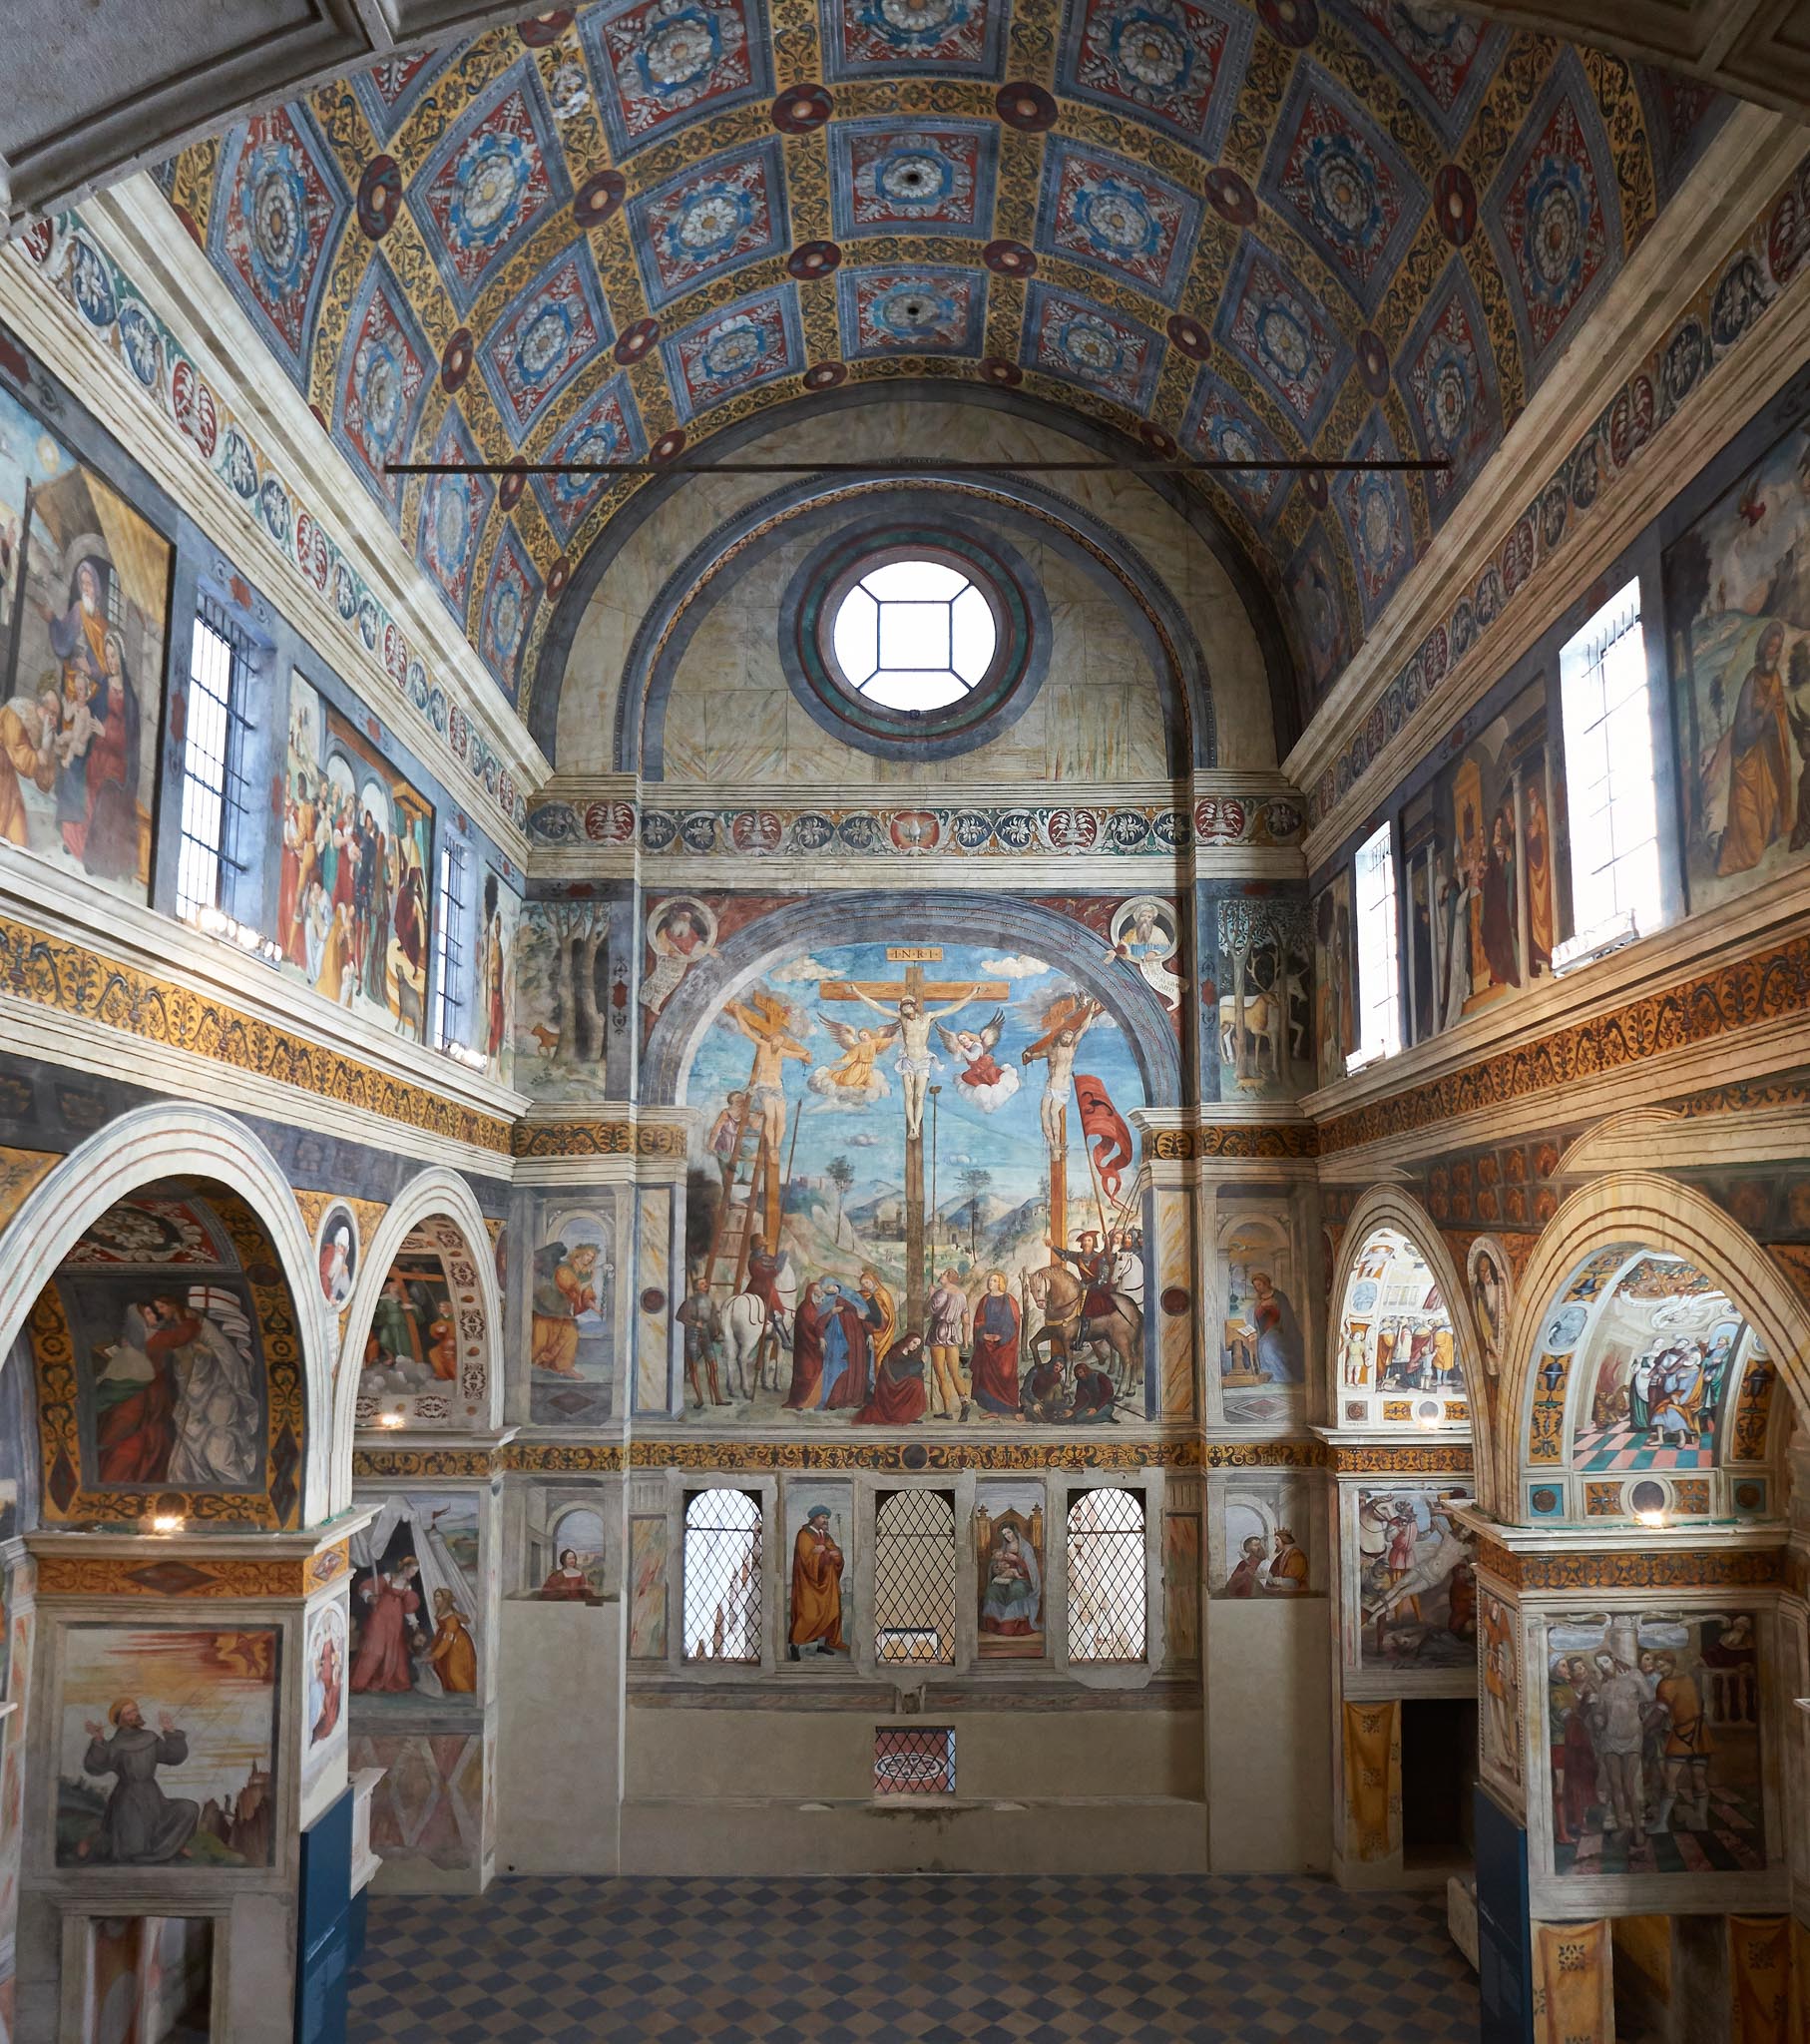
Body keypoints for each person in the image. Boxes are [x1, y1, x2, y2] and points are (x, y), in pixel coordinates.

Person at [150, 1293, 260, 1488]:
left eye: (162, 1307)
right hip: (192, 1398)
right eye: (158, 1309)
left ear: (173, 1304)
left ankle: (238, 1497)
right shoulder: (177, 1330)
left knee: (219, 1456)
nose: (161, 1312)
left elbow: (227, 1356)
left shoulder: (201, 1325)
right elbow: (182, 1367)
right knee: (182, 1460)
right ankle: (187, 1498)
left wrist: (204, 1352)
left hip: (218, 1396)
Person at [81, 1697, 200, 1864]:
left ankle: (170, 1847)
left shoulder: (150, 1738)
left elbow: (173, 1757)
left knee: (189, 1809)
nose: (135, 1714)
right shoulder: (116, 1744)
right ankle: (95, 1840)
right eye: (129, 1712)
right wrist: (99, 1741)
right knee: (132, 1852)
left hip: (153, 1797)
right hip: (127, 1802)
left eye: (135, 1710)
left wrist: (171, 1732)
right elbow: (96, 1767)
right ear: (120, 1719)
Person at [1717, 620, 1793, 876]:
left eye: (1778, 647)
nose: (1774, 651)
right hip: (1746, 761)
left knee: (1771, 802)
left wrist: (1774, 712)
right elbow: (1742, 732)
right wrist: (1764, 713)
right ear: (1763, 648)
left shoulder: (1776, 680)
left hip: (1766, 758)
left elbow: (1779, 716)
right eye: (1770, 646)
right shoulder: (1751, 680)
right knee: (1750, 847)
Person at [1651, 1649, 1713, 1832]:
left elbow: (1660, 1711)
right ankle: (1700, 1820)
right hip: (1698, 1732)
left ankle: (1664, 1824)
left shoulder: (1665, 1685)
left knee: (1673, 1778)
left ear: (1671, 1663)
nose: (1659, 1670)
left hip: (1683, 1734)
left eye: (1661, 1666)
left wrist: (1646, 1727)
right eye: (1657, 1667)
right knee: (1697, 1777)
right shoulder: (1688, 1679)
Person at [350, 1557, 423, 1694]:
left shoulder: (407, 1587)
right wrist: (370, 1597)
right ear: (405, 1568)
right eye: (412, 1570)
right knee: (374, 1648)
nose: (413, 1574)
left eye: (415, 1572)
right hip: (380, 1617)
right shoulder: (387, 1577)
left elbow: (408, 1609)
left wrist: (415, 1625)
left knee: (394, 1649)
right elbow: (366, 1586)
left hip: (395, 1621)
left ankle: (391, 1681)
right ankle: (358, 1683)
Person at [530, 1241, 601, 1375]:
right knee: (540, 1339)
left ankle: (564, 1367)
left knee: (571, 1334)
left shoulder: (583, 1273)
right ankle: (534, 1363)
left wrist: (595, 1308)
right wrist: (592, 1278)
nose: (588, 1259)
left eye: (591, 1258)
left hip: (562, 1309)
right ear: (579, 1254)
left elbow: (585, 1295)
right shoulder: (564, 1269)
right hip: (547, 1305)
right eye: (587, 1255)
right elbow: (574, 1288)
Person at [787, 1504, 845, 1656]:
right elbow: (805, 1557)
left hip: (827, 1583)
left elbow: (834, 1552)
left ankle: (821, 1644)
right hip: (808, 1583)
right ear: (815, 1518)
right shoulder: (804, 1535)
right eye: (823, 1517)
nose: (826, 1520)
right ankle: (795, 1646)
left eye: (827, 1518)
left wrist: (836, 1554)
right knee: (807, 1614)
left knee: (829, 1610)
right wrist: (818, 1553)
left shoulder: (826, 1536)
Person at [969, 1272, 1021, 1418]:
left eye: (994, 1280)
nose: (990, 1283)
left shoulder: (1009, 1300)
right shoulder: (985, 1300)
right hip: (987, 1345)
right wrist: (983, 1335)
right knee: (987, 1376)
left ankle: (1009, 1408)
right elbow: (979, 1321)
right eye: (990, 1280)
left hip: (1004, 1347)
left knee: (1004, 1374)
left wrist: (1001, 1337)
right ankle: (992, 1409)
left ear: (1000, 1283)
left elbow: (1014, 1323)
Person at [980, 1522, 1041, 1638]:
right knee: (992, 1590)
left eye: (1009, 1532)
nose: (1007, 1536)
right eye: (1005, 1534)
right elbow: (995, 1562)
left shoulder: (1025, 1547)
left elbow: (1031, 1568)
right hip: (1006, 1578)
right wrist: (996, 1568)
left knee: (1016, 1589)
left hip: (1022, 1579)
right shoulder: (1004, 1547)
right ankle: (994, 1625)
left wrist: (1016, 1559)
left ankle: (1010, 1626)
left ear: (1015, 1531)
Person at [854, 1330, 928, 1423]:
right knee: (916, 1384)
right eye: (914, 1343)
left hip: (897, 1383)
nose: (915, 1346)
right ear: (908, 1340)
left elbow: (907, 1370)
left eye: (917, 1345)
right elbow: (902, 1371)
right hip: (889, 1388)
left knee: (917, 1383)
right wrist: (921, 1363)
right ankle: (903, 1415)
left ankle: (909, 1415)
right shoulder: (895, 1352)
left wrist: (919, 1371)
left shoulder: (908, 1353)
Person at [925, 1268, 969, 1420]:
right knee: (955, 1373)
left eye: (943, 1274)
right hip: (952, 1334)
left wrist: (930, 1295)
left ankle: (948, 1411)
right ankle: (965, 1403)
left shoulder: (940, 1293)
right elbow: (966, 1322)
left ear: (949, 1278)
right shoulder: (962, 1295)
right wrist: (965, 1342)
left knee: (941, 1375)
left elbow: (928, 1311)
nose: (940, 1276)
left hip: (938, 1332)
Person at [678, 1275, 725, 1408]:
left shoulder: (710, 1301)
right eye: (702, 1283)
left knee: (713, 1366)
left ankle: (718, 1398)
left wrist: (717, 1330)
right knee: (693, 1368)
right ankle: (699, 1399)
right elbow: (680, 1316)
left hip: (706, 1334)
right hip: (692, 1334)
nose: (705, 1284)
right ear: (696, 1287)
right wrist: (694, 1323)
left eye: (705, 1282)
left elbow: (713, 1318)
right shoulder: (690, 1302)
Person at [1248, 1271, 1302, 1383]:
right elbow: (1256, 1316)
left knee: (1266, 1346)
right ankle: (1270, 1376)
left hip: (1279, 1329)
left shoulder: (1279, 1296)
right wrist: (1261, 1307)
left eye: (1259, 1285)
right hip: (1265, 1332)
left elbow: (1286, 1314)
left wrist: (1273, 1307)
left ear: (1266, 1283)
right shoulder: (1259, 1300)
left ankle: (1280, 1376)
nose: (1258, 1288)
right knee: (1262, 1345)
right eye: (1255, 1286)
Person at [423, 1587, 477, 1695]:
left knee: (454, 1672)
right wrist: (432, 1648)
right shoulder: (443, 1612)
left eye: (438, 1596)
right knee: (444, 1668)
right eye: (435, 1596)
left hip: (458, 1645)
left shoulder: (451, 1618)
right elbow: (441, 1634)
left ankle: (465, 1694)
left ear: (445, 1599)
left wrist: (435, 1656)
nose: (435, 1599)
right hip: (449, 1642)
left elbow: (447, 1639)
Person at [784, 1279, 827, 1410]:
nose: (820, 1293)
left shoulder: (815, 1306)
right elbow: (811, 1325)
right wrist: (820, 1337)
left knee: (816, 1372)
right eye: (817, 1291)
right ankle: (801, 1401)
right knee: (806, 1373)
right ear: (810, 1293)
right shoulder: (805, 1308)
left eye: (821, 1291)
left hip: (814, 1348)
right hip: (806, 1348)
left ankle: (814, 1400)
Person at [309, 1631, 342, 1744]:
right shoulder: (318, 1650)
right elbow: (316, 1667)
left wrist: (335, 1668)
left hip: (328, 1675)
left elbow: (335, 1660)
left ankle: (325, 1724)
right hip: (323, 1676)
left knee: (331, 1694)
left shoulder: (331, 1643)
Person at [1266, 1526, 1309, 1593]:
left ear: (1284, 1540)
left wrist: (1277, 1581)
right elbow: (1273, 1572)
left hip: (1298, 1594)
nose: (1275, 1543)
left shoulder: (1297, 1556)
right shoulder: (1281, 1556)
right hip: (1283, 1592)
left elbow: (1293, 1582)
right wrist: (1268, 1576)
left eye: (1277, 1540)